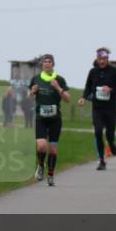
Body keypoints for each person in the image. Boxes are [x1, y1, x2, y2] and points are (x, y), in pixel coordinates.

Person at [78, 47, 116, 170]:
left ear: (107, 59)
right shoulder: (93, 72)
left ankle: (112, 143)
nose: (101, 61)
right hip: (97, 108)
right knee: (98, 132)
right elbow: (88, 87)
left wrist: (111, 89)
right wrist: (83, 97)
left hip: (110, 108)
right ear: (96, 59)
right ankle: (102, 160)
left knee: (109, 134)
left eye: (104, 59)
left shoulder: (114, 71)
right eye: (99, 59)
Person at [30, 54, 69, 186]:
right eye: (44, 62)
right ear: (42, 65)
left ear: (53, 64)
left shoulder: (60, 79)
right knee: (41, 146)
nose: (47, 64)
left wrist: (58, 87)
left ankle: (51, 174)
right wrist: (32, 92)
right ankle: (41, 165)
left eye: (49, 62)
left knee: (53, 149)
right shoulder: (36, 79)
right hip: (41, 118)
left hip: (55, 119)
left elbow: (68, 99)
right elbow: (29, 97)